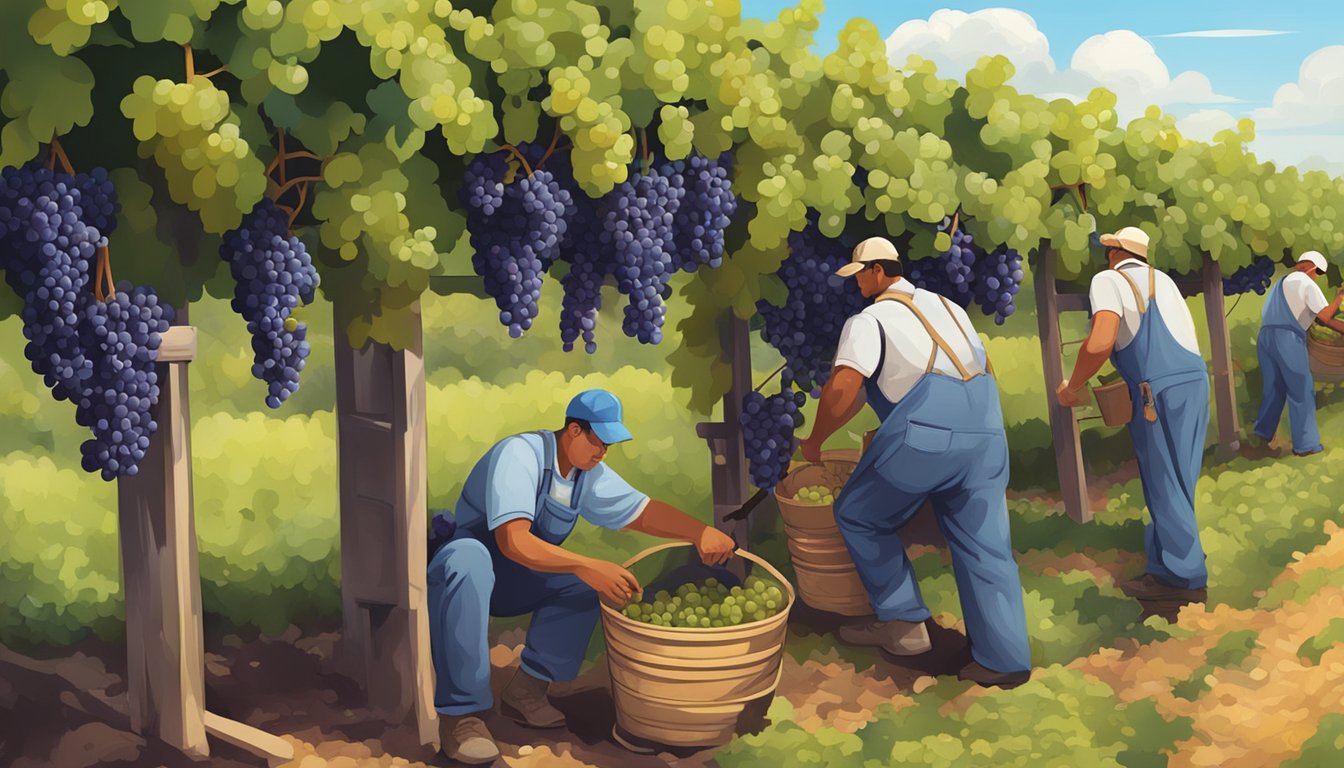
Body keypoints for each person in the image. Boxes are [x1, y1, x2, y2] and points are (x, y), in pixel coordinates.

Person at [428, 389, 736, 764]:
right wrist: (584, 565)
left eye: (609, 444)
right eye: (598, 440)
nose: (603, 451)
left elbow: (639, 511)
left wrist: (697, 531)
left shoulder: (583, 473)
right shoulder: (520, 455)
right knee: (469, 558)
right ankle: (461, 717)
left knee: (586, 584)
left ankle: (526, 691)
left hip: (517, 578)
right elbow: (513, 541)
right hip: (467, 574)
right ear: (574, 431)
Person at [798, 236, 1032, 689]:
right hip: (986, 432)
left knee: (858, 513)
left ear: (877, 272)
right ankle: (1005, 658)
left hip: (927, 437)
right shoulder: (948, 308)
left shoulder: (869, 320)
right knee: (985, 541)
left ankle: (905, 629)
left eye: (861, 276)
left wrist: (815, 440)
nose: (859, 285)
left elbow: (845, 388)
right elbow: (977, 369)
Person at [1057, 226, 1210, 604]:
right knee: (1180, 480)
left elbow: (1101, 341)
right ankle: (1166, 565)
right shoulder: (1165, 282)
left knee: (1163, 481)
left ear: (1113, 253)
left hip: (1154, 391)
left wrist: (1073, 385)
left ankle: (1183, 579)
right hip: (1194, 382)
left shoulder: (1108, 280)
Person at [1252, 250, 1344, 456]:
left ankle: (1263, 433)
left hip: (1265, 337)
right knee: (1300, 388)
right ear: (1314, 269)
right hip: (1287, 338)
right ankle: (1306, 445)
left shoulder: (1281, 284)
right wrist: (1339, 298)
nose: (1316, 277)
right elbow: (1325, 317)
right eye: (1318, 273)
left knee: (1274, 388)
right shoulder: (1306, 283)